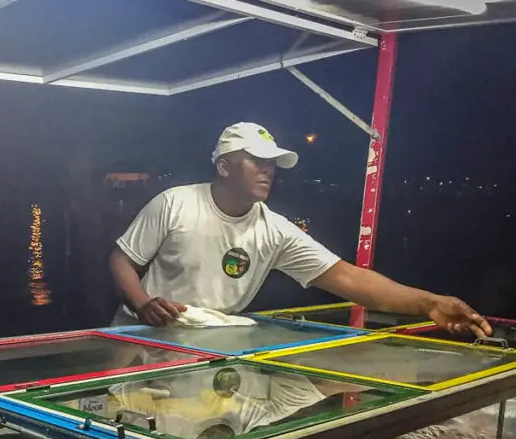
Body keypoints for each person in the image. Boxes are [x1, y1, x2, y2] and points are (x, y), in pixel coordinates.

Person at [109, 122, 491, 338]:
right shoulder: (176, 202)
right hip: (143, 336)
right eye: (256, 161)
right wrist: (143, 303)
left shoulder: (274, 230)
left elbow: (349, 278)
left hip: (210, 342)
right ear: (224, 167)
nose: (267, 170)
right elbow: (122, 260)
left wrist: (429, 302)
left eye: (272, 163)